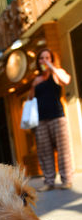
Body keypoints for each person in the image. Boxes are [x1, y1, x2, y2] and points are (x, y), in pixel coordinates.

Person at [30, 48, 73, 191]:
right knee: (45, 152)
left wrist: (51, 67)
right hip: (41, 121)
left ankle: (66, 180)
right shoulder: (36, 80)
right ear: (38, 62)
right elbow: (31, 99)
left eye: (47, 57)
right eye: (41, 58)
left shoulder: (56, 74)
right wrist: (33, 86)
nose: (44, 60)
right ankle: (49, 181)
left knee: (63, 150)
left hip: (57, 117)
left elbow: (66, 80)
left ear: (51, 59)